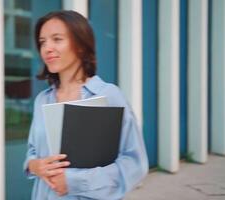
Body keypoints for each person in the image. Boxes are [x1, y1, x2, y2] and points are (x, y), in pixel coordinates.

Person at [23, 10, 148, 200]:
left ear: (80, 46)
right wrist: (34, 166)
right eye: (42, 42)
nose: (47, 48)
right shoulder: (43, 99)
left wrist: (73, 181)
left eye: (56, 39)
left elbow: (134, 165)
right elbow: (32, 151)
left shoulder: (108, 95)